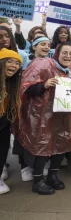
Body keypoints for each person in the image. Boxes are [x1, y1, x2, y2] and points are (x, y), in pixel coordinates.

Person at [16, 43, 71, 195]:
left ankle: (53, 175)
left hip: (64, 116)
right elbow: (26, 87)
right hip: (42, 116)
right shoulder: (43, 64)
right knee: (43, 146)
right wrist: (44, 85)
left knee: (62, 143)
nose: (67, 56)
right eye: (64, 53)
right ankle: (38, 180)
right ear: (57, 53)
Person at [0, 49, 23, 194]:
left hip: (3, 124)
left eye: (17, 63)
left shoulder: (12, 83)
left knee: (2, 151)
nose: (14, 66)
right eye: (9, 61)